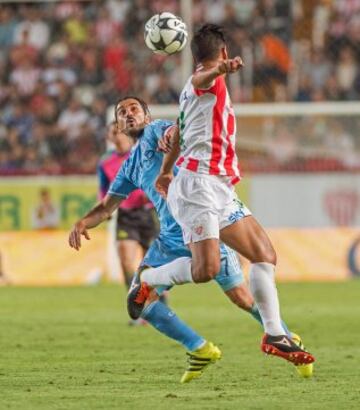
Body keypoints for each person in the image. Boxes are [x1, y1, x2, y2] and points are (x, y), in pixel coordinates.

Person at [69, 96, 313, 383]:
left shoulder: (155, 130)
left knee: (242, 298)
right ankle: (201, 348)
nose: (128, 114)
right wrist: (84, 221)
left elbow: (174, 130)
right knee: (140, 303)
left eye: (134, 109)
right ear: (118, 126)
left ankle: (281, 339)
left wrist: (173, 135)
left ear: (147, 116)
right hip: (172, 240)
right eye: (122, 112)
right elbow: (107, 206)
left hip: (202, 227)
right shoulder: (129, 167)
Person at [129, 24, 315, 367]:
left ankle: (274, 335)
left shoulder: (190, 90)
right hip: (199, 186)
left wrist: (166, 170)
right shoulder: (207, 79)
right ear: (224, 52)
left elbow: (181, 132)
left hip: (216, 184)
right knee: (205, 270)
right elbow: (205, 79)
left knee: (264, 254)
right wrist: (222, 69)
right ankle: (149, 279)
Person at [97, 121, 158, 293]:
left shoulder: (142, 154)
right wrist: (104, 208)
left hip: (148, 213)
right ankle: (136, 303)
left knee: (152, 264)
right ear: (109, 136)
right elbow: (103, 189)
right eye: (114, 132)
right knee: (125, 260)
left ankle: (158, 303)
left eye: (120, 131)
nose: (117, 135)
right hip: (125, 215)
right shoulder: (105, 162)